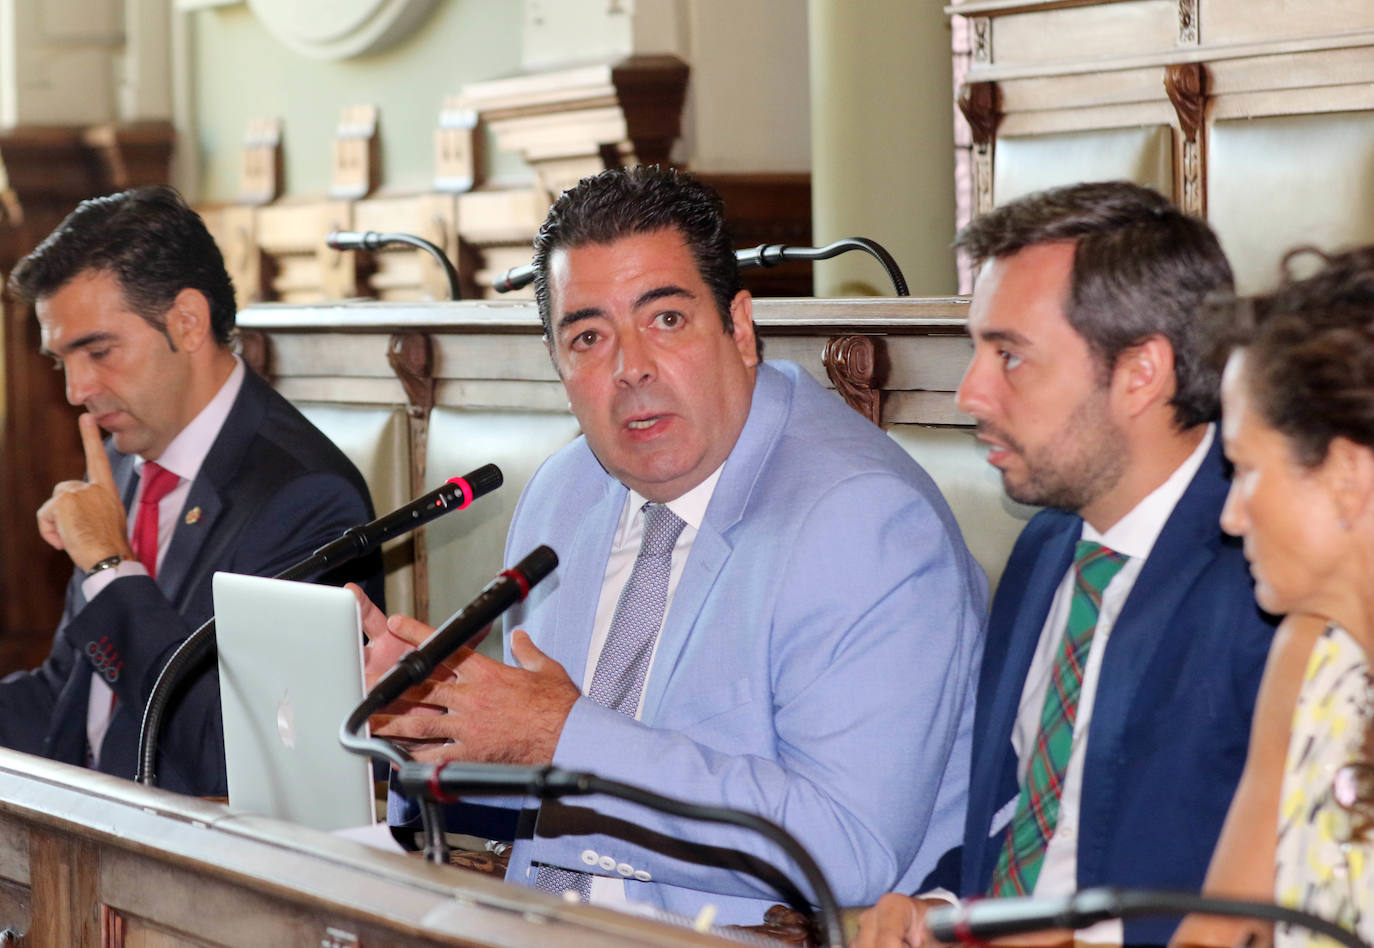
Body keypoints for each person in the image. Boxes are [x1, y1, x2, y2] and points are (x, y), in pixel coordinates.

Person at [363, 165, 987, 925]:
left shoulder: (864, 520)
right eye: (588, 337)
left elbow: (847, 851)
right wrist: (438, 727)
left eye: (665, 320)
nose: (631, 369)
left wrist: (558, 737)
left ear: (742, 328)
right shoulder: (566, 491)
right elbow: (525, 803)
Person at [857, 181, 1276, 947]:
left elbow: (1285, 892)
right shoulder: (1048, 546)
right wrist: (941, 907)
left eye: (1010, 356)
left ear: (1140, 373)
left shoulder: (1265, 576)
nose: (969, 392)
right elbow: (1025, 826)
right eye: (976, 348)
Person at [0, 185, 383, 796]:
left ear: (187, 321)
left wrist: (108, 564)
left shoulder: (306, 498)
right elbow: (68, 701)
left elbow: (234, 754)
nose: (75, 389)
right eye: (60, 362)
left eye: (98, 351)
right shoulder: (126, 461)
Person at [1169, 247, 1374, 948]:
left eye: (1245, 469)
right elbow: (1213, 935)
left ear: (1347, 475)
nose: (1230, 516)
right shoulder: (1312, 658)